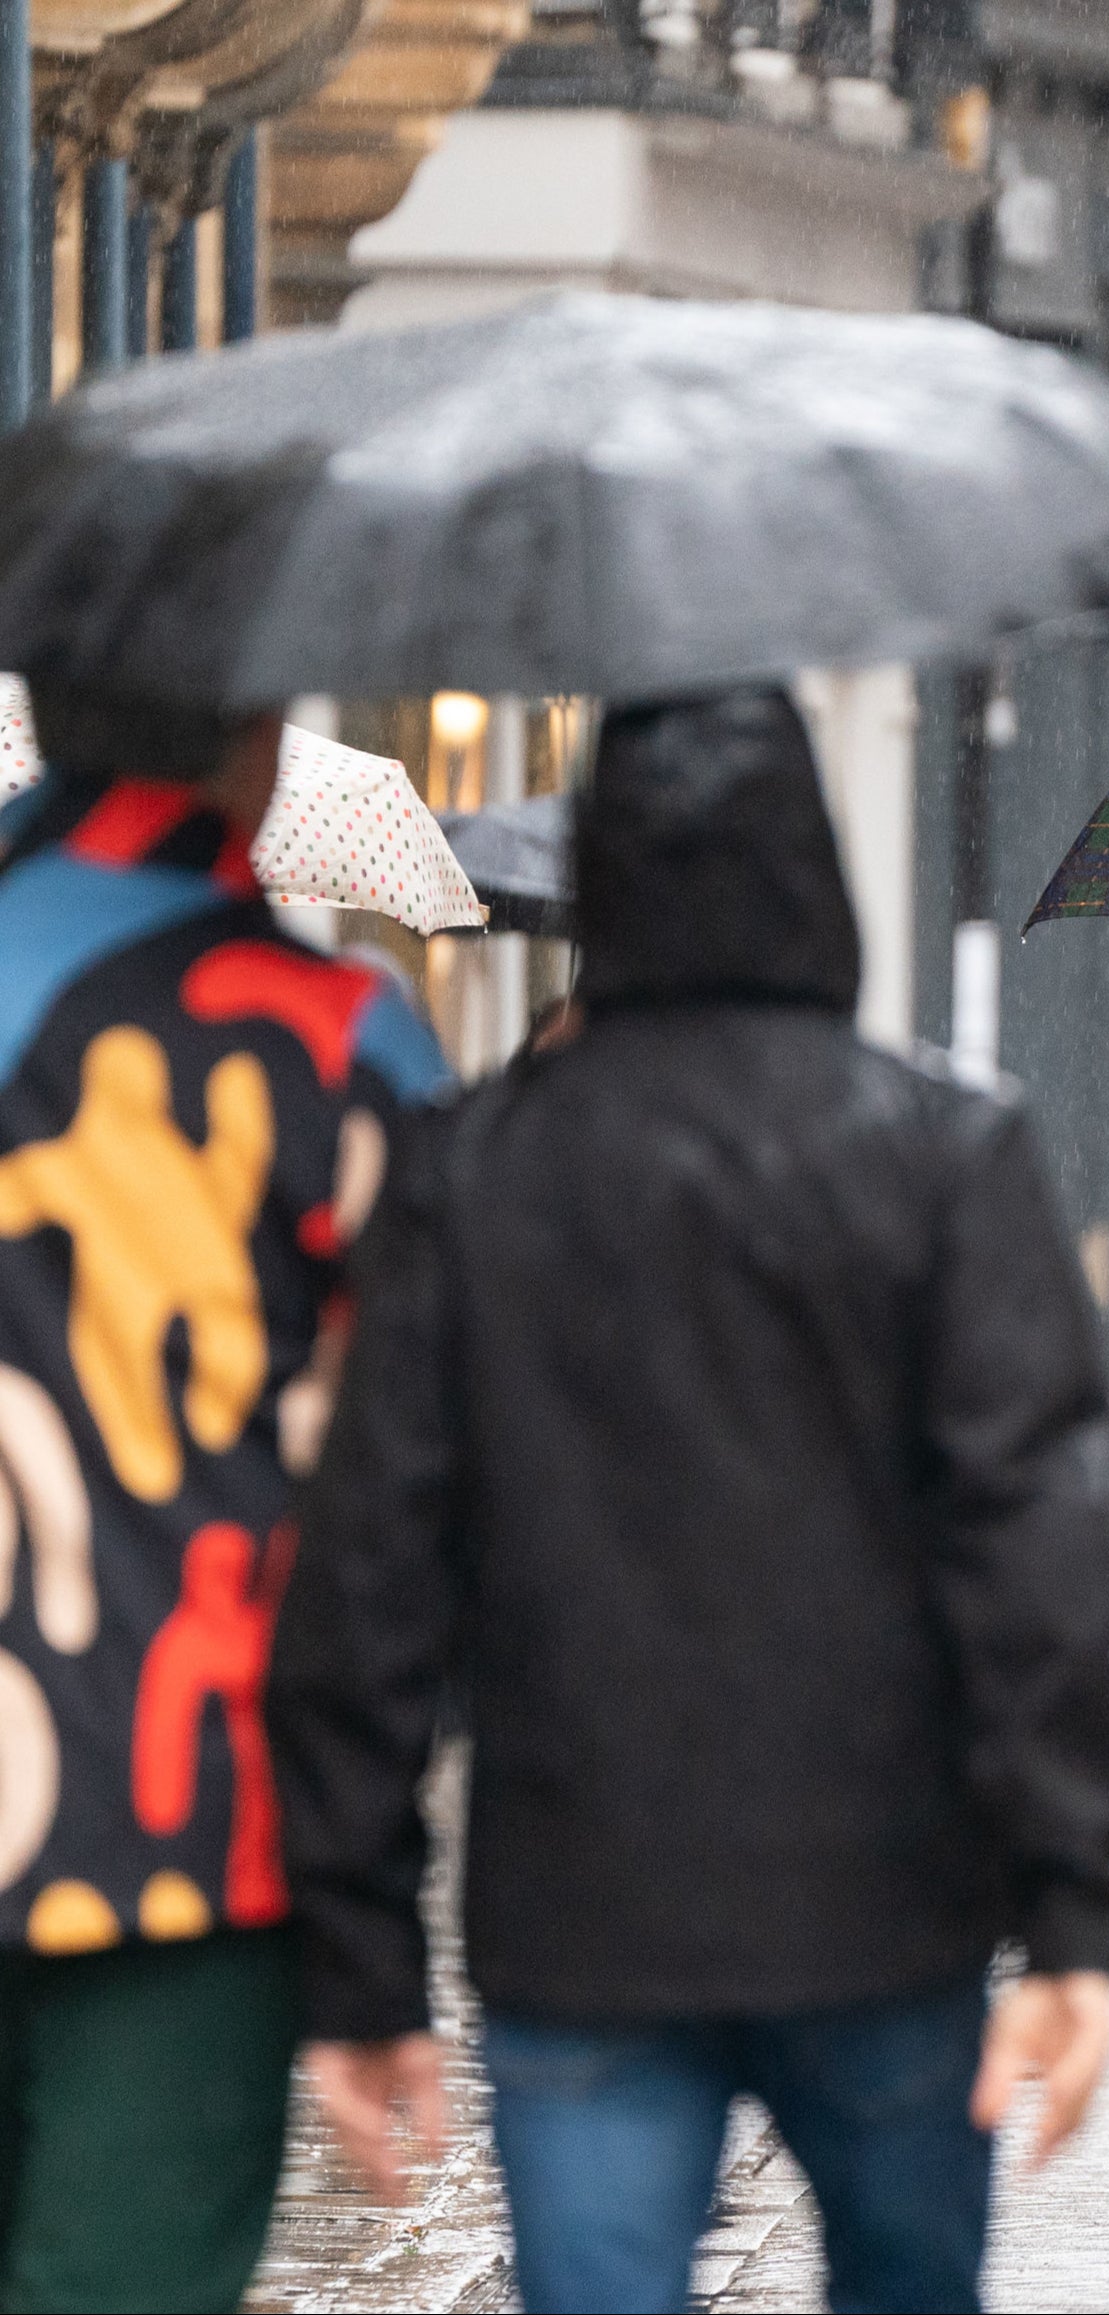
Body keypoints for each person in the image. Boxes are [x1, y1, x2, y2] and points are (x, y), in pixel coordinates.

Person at [270, 691, 1109, 2315]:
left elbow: (370, 1573)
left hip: (584, 1902)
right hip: (887, 1895)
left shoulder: (474, 1169)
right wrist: (1070, 1906)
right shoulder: (945, 1151)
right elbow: (1037, 1546)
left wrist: (362, 1957)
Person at [0, 678, 448, 2311]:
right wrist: (369, 1950)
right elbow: (390, 1536)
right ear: (259, 739)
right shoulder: (335, 1044)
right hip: (175, 1827)